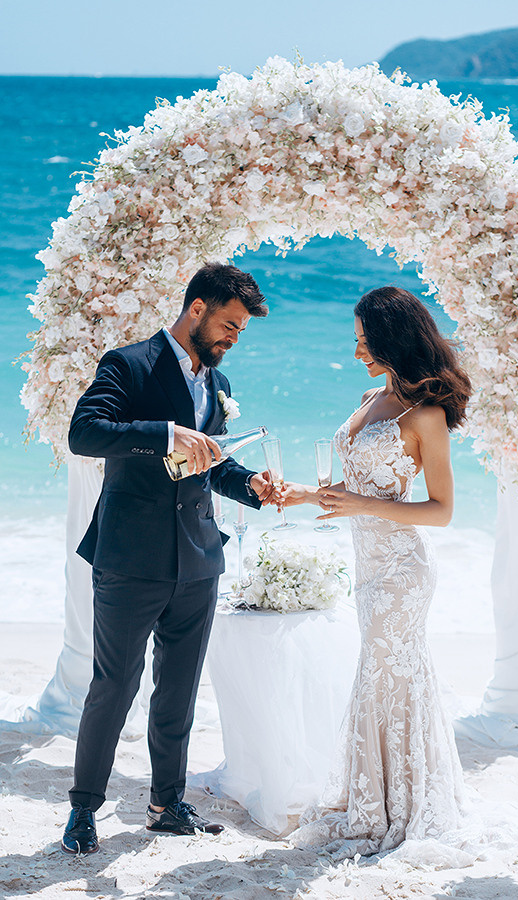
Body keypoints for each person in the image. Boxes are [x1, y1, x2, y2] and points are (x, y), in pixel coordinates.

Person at [61, 263, 276, 855]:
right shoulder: (127, 364)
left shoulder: (220, 385)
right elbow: (85, 433)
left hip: (199, 558)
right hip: (129, 558)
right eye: (229, 324)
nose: (233, 337)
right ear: (198, 307)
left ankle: (166, 804)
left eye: (241, 330)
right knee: (114, 686)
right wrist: (164, 434)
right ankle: (84, 810)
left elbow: (212, 463)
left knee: (178, 690)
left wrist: (254, 486)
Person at [282, 285, 472, 858]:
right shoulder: (370, 398)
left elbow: (441, 511)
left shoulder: (427, 415)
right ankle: (381, 798)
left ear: (393, 340)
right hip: (367, 565)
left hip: (402, 570)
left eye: (367, 342)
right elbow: (356, 492)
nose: (359, 352)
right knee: (382, 678)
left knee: (390, 679)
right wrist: (301, 496)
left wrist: (361, 504)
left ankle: (400, 808)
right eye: (357, 341)